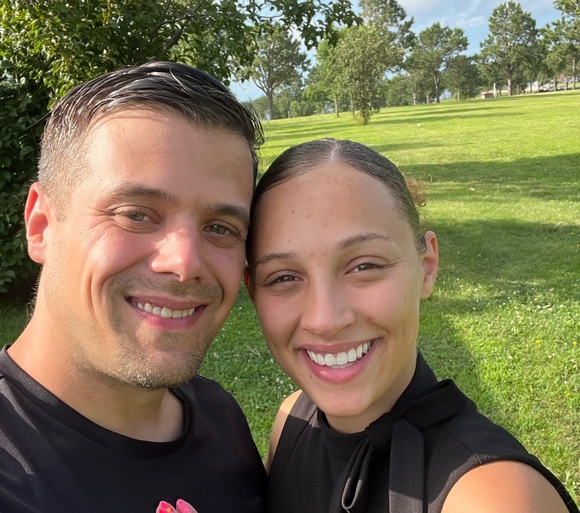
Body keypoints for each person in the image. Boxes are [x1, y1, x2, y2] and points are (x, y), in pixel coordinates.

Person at [243, 138, 578, 513]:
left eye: (364, 266)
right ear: (253, 291)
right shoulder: (292, 420)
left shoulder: (492, 499)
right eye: (284, 277)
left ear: (426, 267)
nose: (325, 320)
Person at [0, 62, 267, 512]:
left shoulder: (219, 416)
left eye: (220, 227)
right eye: (136, 214)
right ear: (41, 225)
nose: (185, 263)